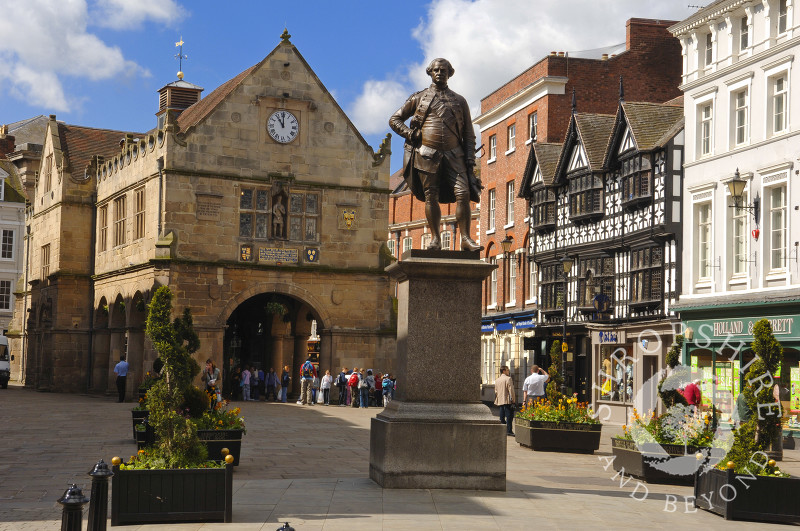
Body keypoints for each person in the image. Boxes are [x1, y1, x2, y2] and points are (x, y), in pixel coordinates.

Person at [389, 58, 482, 252]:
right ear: (430, 73)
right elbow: (395, 119)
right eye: (436, 70)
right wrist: (410, 134)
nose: (440, 73)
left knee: (463, 193)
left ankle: (465, 238)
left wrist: (470, 162)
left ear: (450, 73)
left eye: (444, 70)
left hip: (455, 156)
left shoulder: (459, 100)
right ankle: (435, 240)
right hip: (427, 154)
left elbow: (469, 134)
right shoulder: (419, 98)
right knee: (431, 196)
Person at [494, 365, 516, 436]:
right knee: (509, 416)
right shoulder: (508, 379)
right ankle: (509, 430)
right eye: (507, 370)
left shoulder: (497, 380)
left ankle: (503, 429)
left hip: (500, 400)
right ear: (503, 371)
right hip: (507, 400)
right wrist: (513, 400)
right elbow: (511, 390)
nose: (508, 371)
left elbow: (496, 391)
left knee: (501, 416)